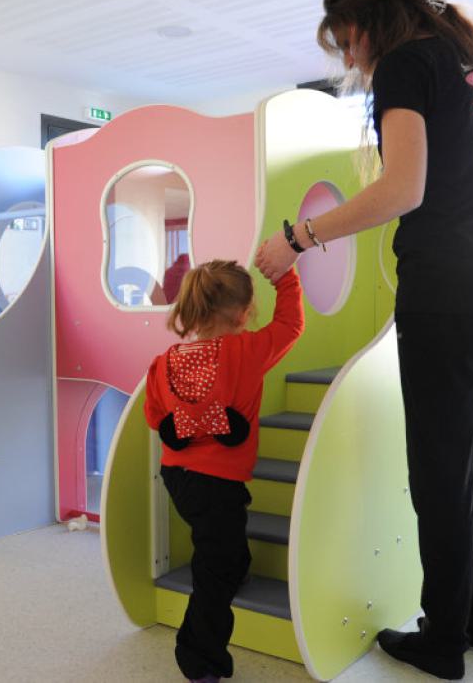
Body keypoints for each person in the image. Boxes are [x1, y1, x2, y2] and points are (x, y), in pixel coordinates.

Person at [254, 0, 473, 681]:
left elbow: (403, 189)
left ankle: (442, 641)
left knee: (443, 474)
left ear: (368, 22)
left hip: (445, 295)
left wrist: (296, 240)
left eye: (344, 39)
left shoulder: (408, 65)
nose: (348, 57)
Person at [144, 261, 304, 682]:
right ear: (244, 313)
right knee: (213, 571)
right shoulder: (246, 351)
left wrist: (192, 422)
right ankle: (198, 658)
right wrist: (285, 273)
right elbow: (291, 324)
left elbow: (154, 417)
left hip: (178, 478)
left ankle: (237, 565)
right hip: (219, 481)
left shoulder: (164, 361)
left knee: (223, 538)